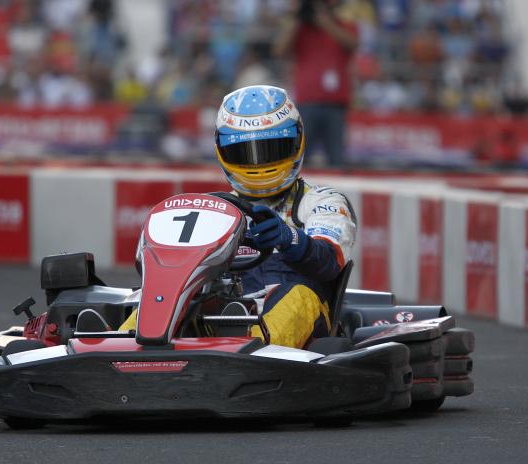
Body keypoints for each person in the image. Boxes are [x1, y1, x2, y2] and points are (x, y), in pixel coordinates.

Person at [120, 85, 357, 349]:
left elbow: (328, 261)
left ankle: (252, 350)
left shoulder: (323, 201)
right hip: (218, 313)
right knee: (161, 295)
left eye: (271, 149)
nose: (258, 165)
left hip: (292, 324)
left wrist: (288, 238)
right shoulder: (213, 211)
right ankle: (123, 344)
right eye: (245, 153)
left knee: (298, 296)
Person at [273, 0, 358, 167]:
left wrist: (325, 21)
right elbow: (279, 50)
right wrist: (298, 18)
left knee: (337, 158)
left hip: (335, 104)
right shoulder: (301, 30)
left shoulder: (343, 26)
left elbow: (352, 43)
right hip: (307, 103)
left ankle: (337, 193)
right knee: (300, 158)